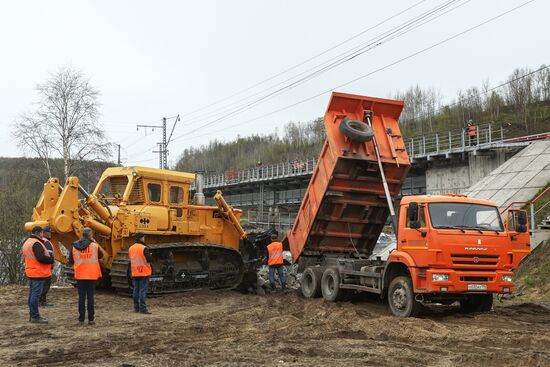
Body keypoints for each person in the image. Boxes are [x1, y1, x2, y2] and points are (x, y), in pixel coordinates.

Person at [68, 227, 102, 325]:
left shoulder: (74, 246)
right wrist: (94, 242)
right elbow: (101, 256)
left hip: (80, 275)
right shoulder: (94, 246)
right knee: (90, 297)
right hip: (91, 275)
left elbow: (70, 261)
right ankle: (91, 319)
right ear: (90, 235)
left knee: (81, 298)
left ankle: (81, 319)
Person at [22, 226, 54, 323]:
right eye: (41, 233)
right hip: (38, 272)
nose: (42, 234)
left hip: (31, 271)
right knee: (35, 295)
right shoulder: (36, 243)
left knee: (32, 294)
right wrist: (51, 260)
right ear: (39, 233)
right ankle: (35, 316)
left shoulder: (28, 242)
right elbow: (41, 258)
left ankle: (32, 315)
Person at [129, 232, 153, 314]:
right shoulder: (143, 248)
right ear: (141, 238)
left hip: (135, 272)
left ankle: (136, 308)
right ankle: (143, 309)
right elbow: (149, 259)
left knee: (136, 290)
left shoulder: (131, 248)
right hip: (144, 272)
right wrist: (150, 255)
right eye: (143, 237)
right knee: (142, 291)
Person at [39, 226, 55, 307]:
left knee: (42, 285)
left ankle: (41, 301)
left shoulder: (41, 241)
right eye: (49, 232)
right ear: (44, 233)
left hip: (42, 267)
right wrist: (51, 263)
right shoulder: (46, 242)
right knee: (46, 285)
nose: (50, 233)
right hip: (46, 267)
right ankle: (42, 302)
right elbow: (49, 255)